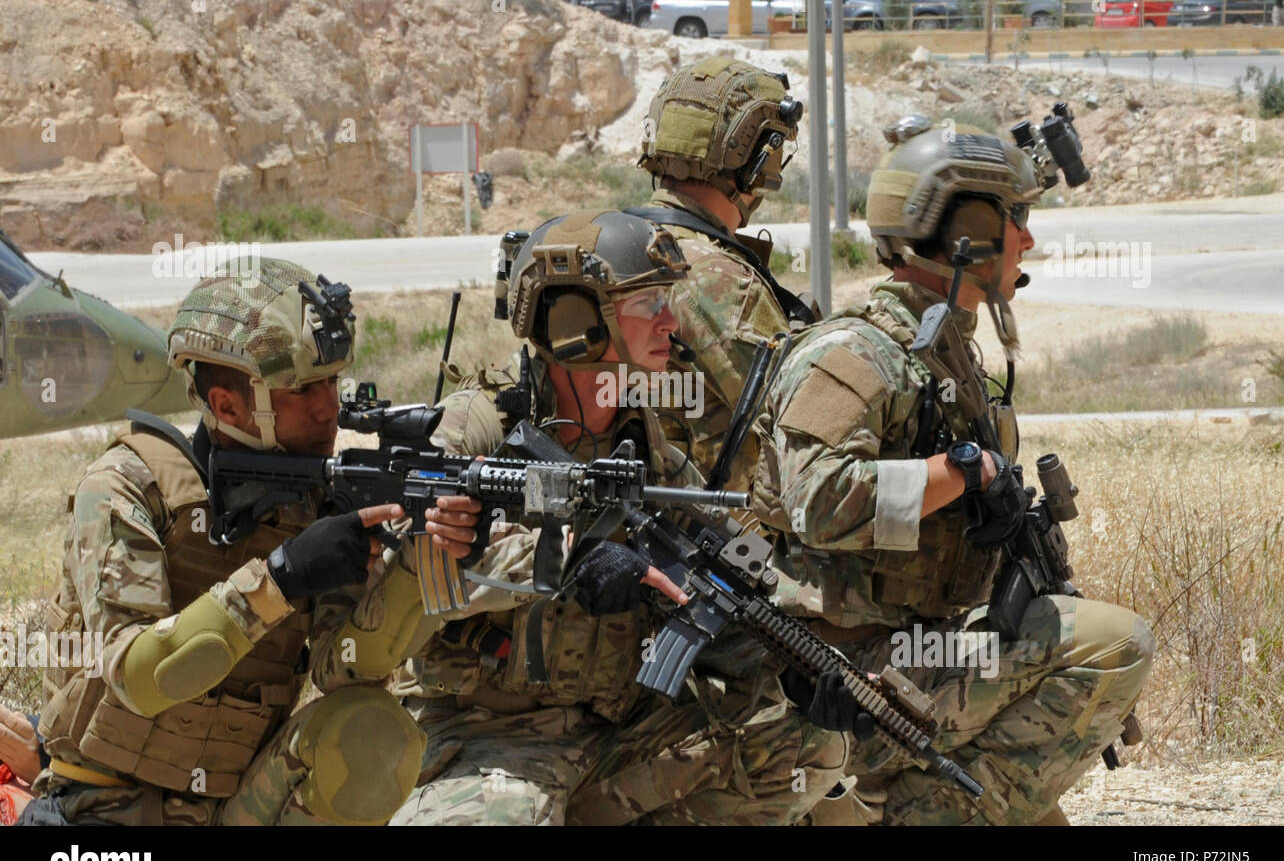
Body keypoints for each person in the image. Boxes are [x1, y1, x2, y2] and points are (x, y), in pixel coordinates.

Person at [749, 117, 1154, 825]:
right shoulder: (855, 352)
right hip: (844, 669)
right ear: (967, 230)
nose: (1028, 240)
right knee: (1116, 643)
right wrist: (962, 470)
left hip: (918, 639)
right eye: (1016, 219)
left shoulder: (946, 351)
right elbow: (817, 499)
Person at [385, 209, 846, 825]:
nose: (671, 321)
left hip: (618, 727)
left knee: (806, 748)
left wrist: (808, 653)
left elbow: (730, 558)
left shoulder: (645, 446)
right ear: (579, 322)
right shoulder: (479, 424)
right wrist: (570, 558)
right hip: (494, 732)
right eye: (649, 301)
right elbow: (417, 559)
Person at [19, 258, 423, 825]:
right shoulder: (127, 488)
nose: (329, 407)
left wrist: (421, 570)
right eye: (303, 388)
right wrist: (281, 578)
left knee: (371, 732)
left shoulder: (319, 501)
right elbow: (139, 677)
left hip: (235, 807)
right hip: (102, 807)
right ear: (227, 405)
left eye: (333, 380)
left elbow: (345, 671)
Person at [630, 56, 816, 490]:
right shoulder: (716, 278)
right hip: (710, 542)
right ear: (757, 162)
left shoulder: (608, 242)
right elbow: (800, 428)